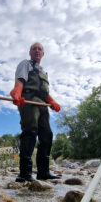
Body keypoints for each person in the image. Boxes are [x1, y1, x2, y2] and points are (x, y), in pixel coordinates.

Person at [10, 42, 61, 182]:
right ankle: (25, 174)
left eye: (40, 49)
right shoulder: (25, 64)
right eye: (34, 49)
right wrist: (17, 93)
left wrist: (53, 101)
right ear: (30, 52)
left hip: (42, 104)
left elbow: (44, 93)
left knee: (47, 135)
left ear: (43, 54)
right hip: (28, 100)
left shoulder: (44, 72)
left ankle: (43, 172)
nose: (37, 51)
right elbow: (20, 81)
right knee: (30, 132)